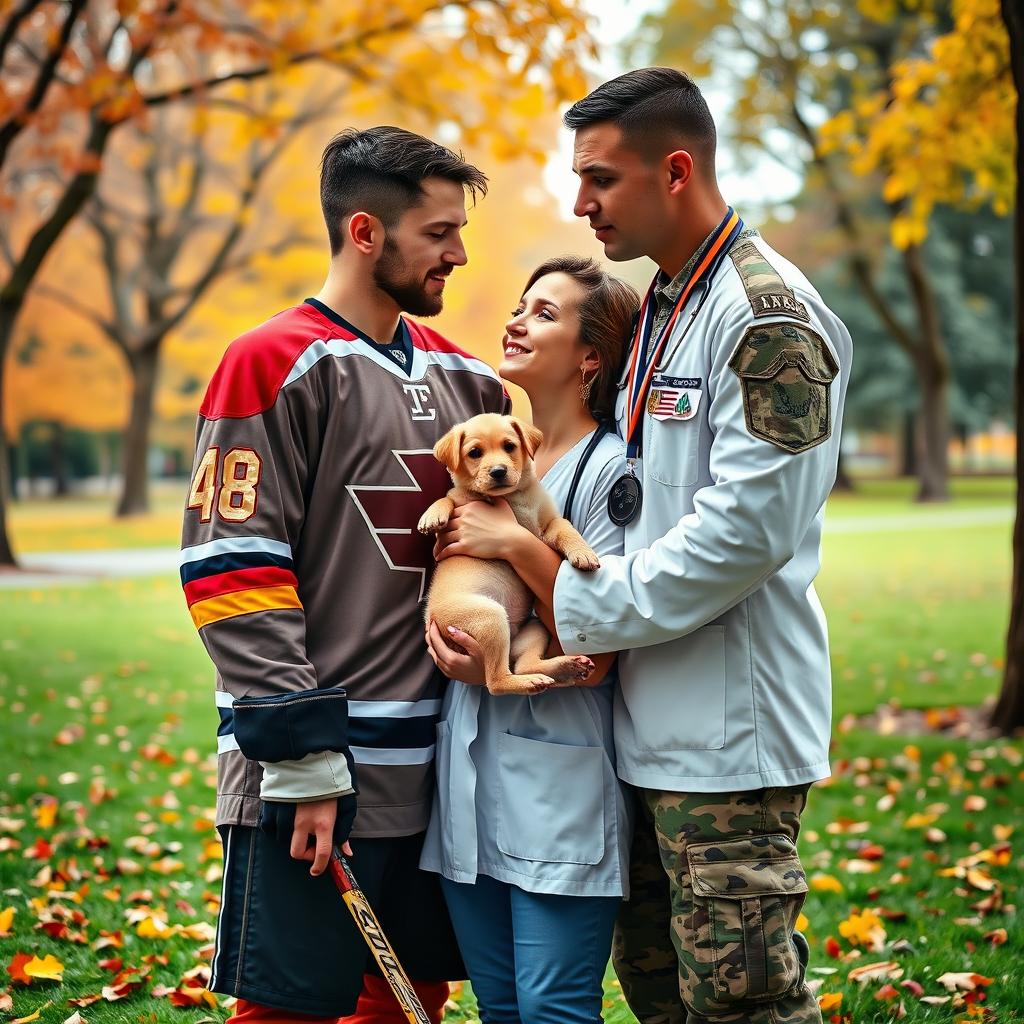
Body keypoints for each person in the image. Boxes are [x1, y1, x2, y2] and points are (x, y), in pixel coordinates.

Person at [434, 68, 852, 1024]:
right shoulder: (667, 303)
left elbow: (744, 535)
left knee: (744, 1004)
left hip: (724, 738)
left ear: (674, 170)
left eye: (599, 180)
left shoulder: (764, 316)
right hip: (639, 728)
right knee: (662, 999)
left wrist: (557, 587)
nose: (579, 204)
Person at [179, 126, 509, 1024]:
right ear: (366, 232)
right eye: (438, 233)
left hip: (439, 767)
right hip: (318, 771)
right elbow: (230, 570)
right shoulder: (268, 362)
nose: (460, 253)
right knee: (287, 1009)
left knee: (410, 1004)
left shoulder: (473, 385)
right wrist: (304, 754)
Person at [420, 255, 639, 1024]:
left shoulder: (615, 470)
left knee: (552, 1008)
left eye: (544, 312)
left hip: (559, 784)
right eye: (519, 305)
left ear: (592, 356)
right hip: (469, 777)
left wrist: (515, 546)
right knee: (501, 1008)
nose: (516, 319)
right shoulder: (484, 459)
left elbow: (606, 642)